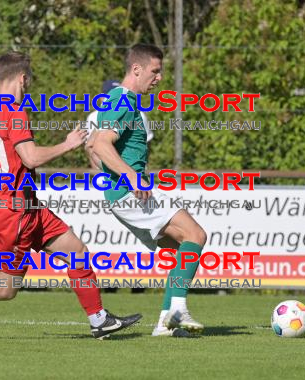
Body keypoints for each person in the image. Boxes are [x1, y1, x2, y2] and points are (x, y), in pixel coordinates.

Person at [0, 51, 142, 340]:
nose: (30, 84)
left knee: (77, 252)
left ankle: (99, 320)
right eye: (30, 79)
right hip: (14, 214)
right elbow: (31, 157)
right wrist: (67, 144)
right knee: (4, 289)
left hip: (29, 207)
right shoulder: (14, 112)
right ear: (23, 78)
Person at [87, 44, 208, 337]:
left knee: (180, 249)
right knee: (196, 234)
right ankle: (176, 311)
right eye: (155, 71)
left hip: (122, 195)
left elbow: (92, 145)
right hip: (130, 193)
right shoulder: (122, 100)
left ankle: (166, 323)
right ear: (136, 69)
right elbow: (101, 144)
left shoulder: (123, 102)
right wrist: (131, 176)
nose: (160, 77)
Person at [85, 80, 153, 170]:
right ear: (101, 97)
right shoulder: (93, 117)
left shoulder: (140, 115)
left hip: (131, 174)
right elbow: (91, 147)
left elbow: (146, 143)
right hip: (116, 175)